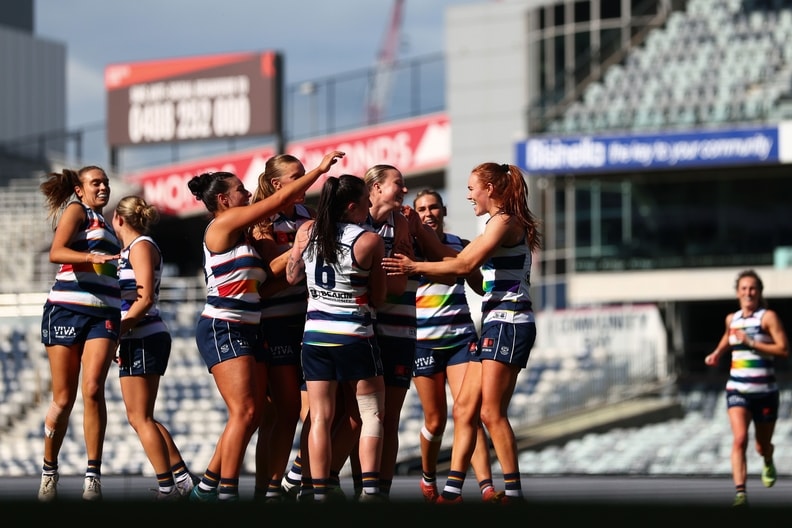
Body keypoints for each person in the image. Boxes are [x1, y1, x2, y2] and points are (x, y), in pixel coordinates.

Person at [186, 150, 344, 502]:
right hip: (223, 325)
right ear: (224, 199)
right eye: (240, 189)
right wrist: (319, 170)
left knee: (258, 413)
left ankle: (212, 487)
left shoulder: (242, 233)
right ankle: (225, 492)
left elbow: (271, 275)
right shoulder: (223, 225)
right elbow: (281, 198)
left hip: (249, 327)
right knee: (247, 411)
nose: (247, 192)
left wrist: (300, 247)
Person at [382, 162, 542, 504]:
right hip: (496, 321)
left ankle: (512, 493)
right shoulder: (496, 222)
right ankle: (453, 491)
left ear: (491, 190)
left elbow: (464, 266)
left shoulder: (503, 221)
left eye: (472, 188)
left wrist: (412, 266)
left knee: (490, 413)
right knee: (465, 411)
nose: (469, 195)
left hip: (509, 321)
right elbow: (459, 261)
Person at [286, 174, 387, 502]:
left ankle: (318, 492)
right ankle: (371, 490)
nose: (371, 206)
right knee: (370, 413)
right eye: (365, 201)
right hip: (355, 336)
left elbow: (291, 275)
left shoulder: (307, 231)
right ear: (352, 206)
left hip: (315, 337)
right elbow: (380, 296)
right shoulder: (369, 240)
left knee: (320, 418)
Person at [410, 188, 504, 504]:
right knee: (435, 421)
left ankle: (487, 488)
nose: (428, 213)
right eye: (421, 209)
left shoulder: (459, 245)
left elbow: (479, 286)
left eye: (433, 207)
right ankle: (427, 477)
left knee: (469, 414)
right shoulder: (406, 249)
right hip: (422, 342)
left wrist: (466, 263)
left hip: (461, 338)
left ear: (444, 210)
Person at [37, 165, 122, 502]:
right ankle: (49, 470)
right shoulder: (77, 211)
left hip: (103, 314)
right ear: (80, 189)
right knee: (63, 398)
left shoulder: (109, 224)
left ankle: (93, 479)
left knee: (93, 390)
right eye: (96, 182)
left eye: (106, 182)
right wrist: (93, 257)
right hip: (66, 309)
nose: (103, 187)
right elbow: (56, 252)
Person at [112, 195, 197, 500]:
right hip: (138, 336)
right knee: (143, 416)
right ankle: (182, 479)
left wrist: (116, 334)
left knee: (140, 418)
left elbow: (144, 299)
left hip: (143, 335)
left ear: (118, 219)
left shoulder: (141, 246)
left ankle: (168, 488)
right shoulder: (129, 250)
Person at [249, 154, 316, 502]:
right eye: (297, 176)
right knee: (284, 411)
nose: (305, 182)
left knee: (300, 412)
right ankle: (271, 488)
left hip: (305, 319)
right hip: (273, 322)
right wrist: (299, 248)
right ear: (277, 185)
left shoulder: (307, 215)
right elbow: (269, 270)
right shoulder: (262, 216)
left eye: (305, 175)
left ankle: (276, 484)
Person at [704, 269, 789, 507]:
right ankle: (741, 493)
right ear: (738, 292)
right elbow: (728, 336)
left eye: (752, 288)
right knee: (739, 438)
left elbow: (783, 349)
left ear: (759, 292)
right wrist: (717, 353)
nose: (748, 292)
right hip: (738, 389)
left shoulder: (767, 317)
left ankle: (768, 458)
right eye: (743, 288)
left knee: (762, 445)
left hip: (765, 393)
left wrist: (752, 343)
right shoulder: (732, 319)